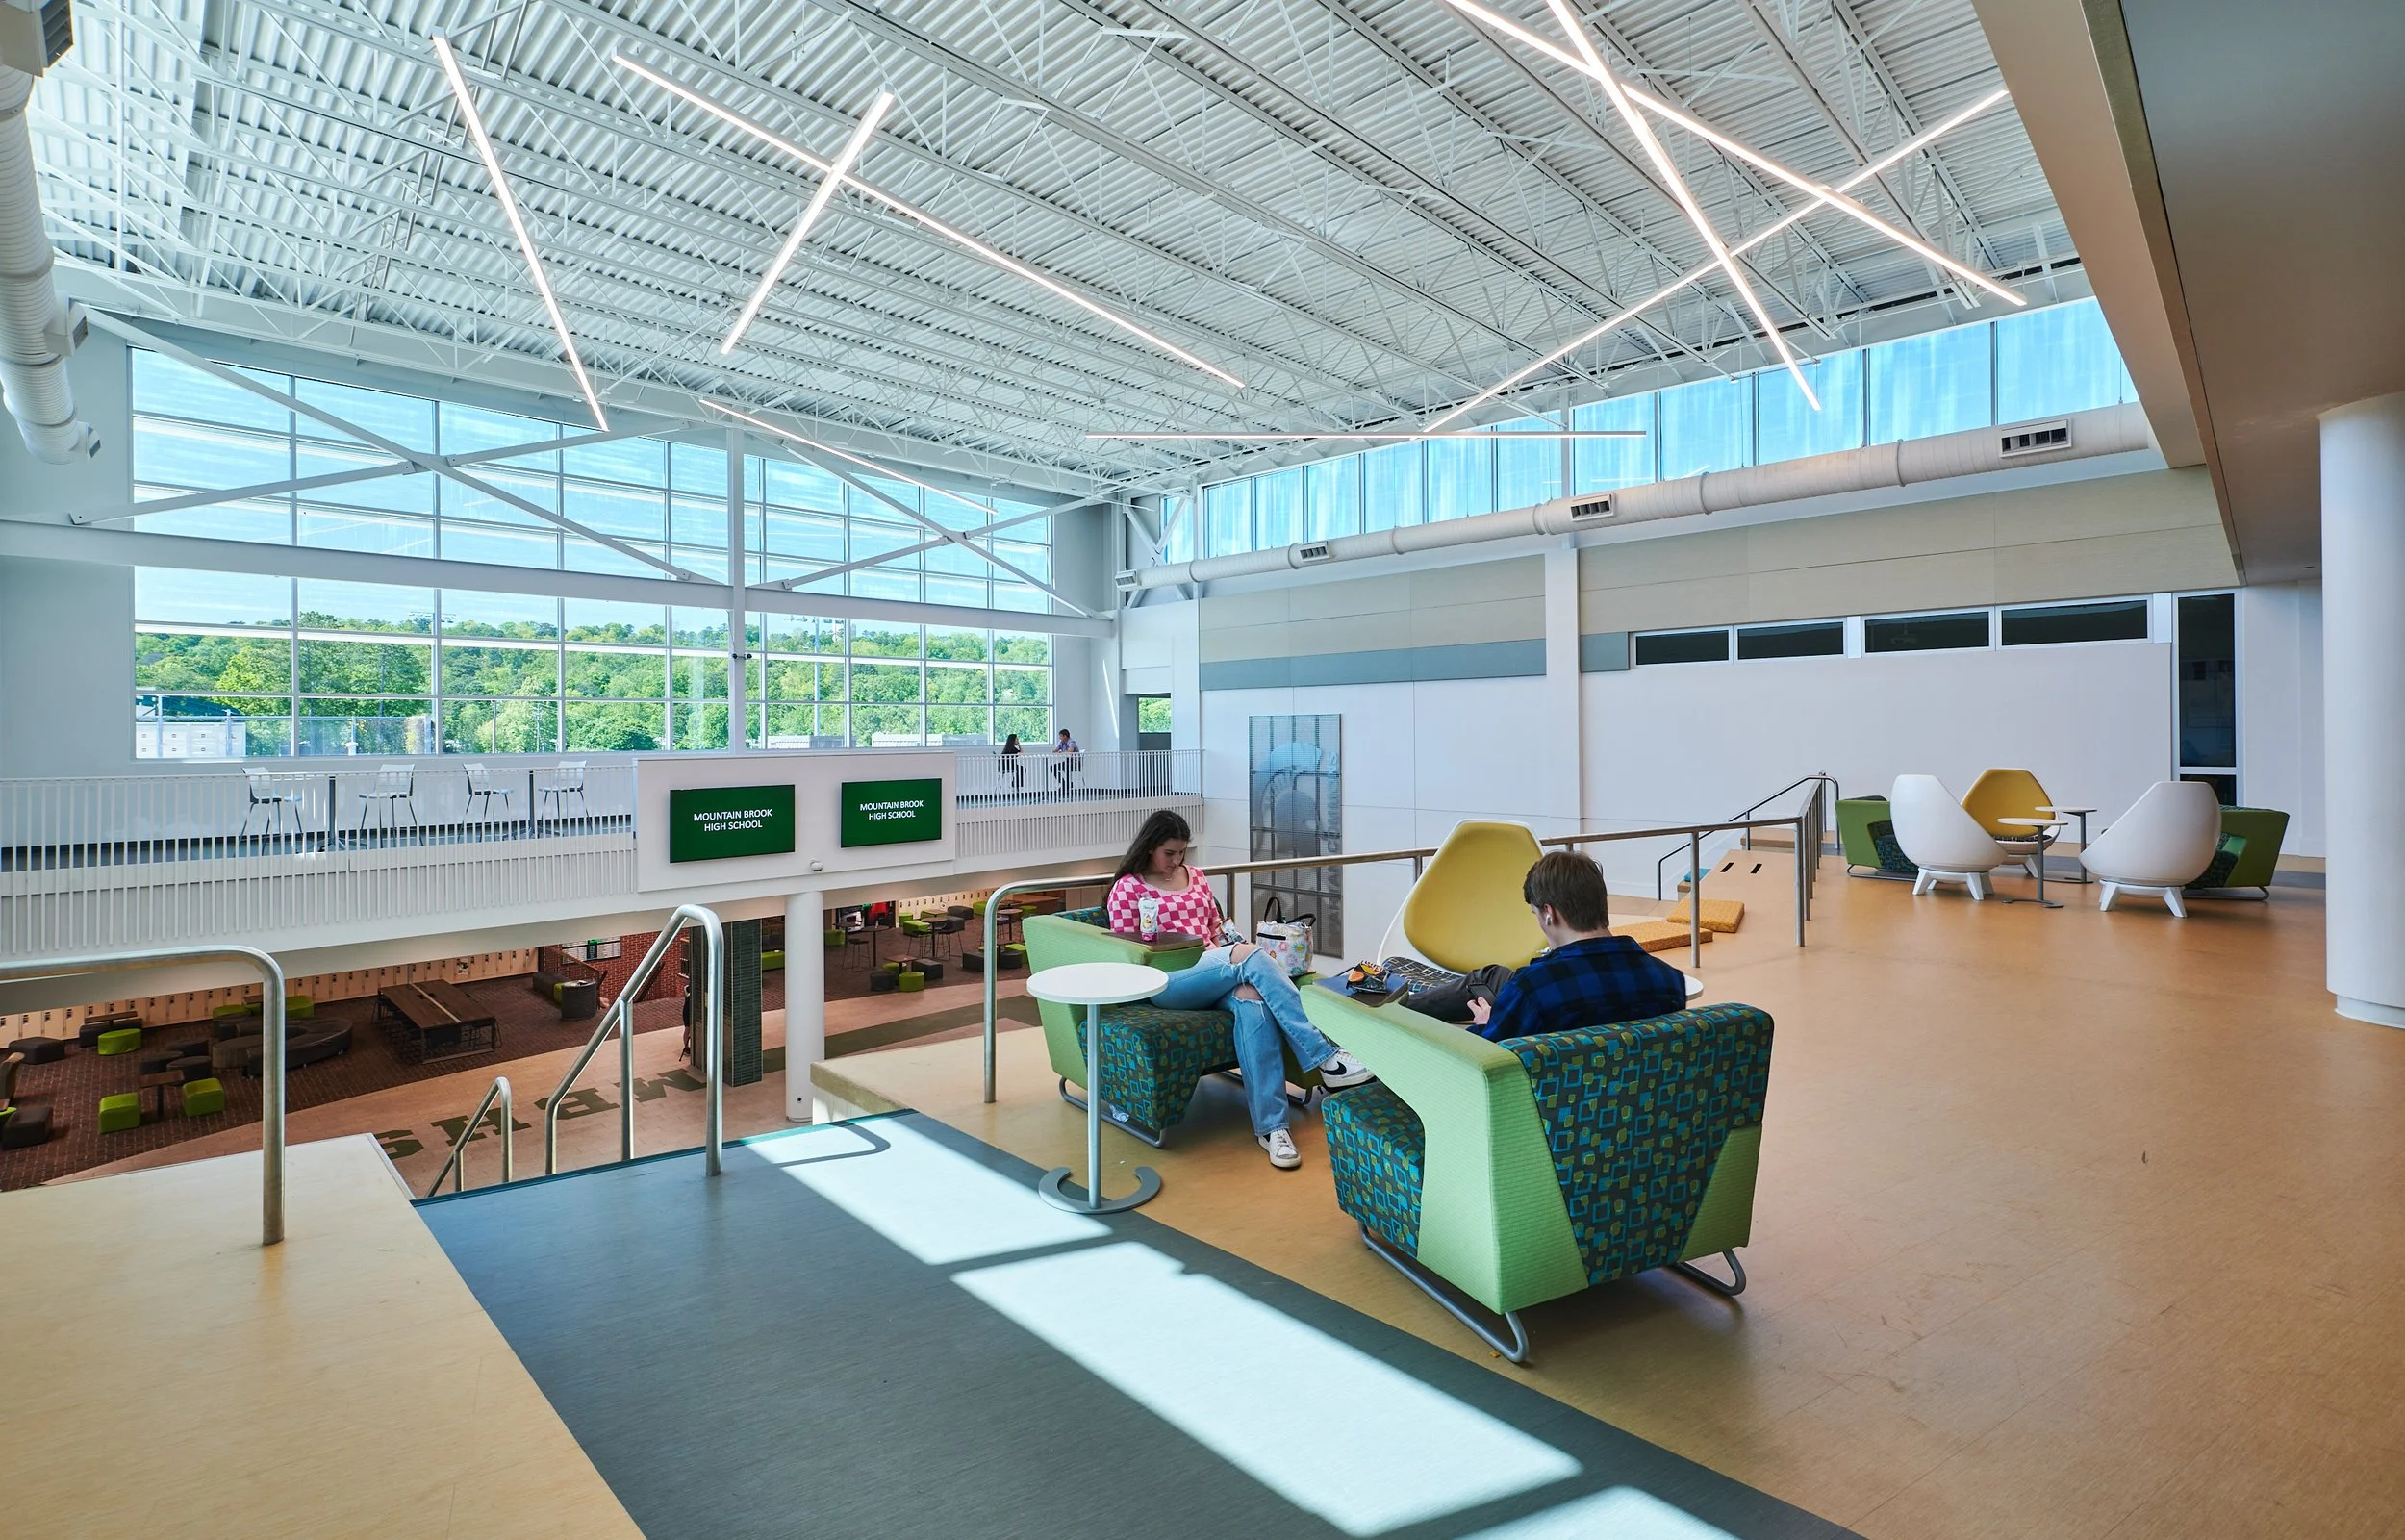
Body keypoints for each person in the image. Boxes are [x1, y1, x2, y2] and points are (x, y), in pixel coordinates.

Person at [1106, 810, 1370, 1169]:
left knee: (1253, 1000)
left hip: (1216, 971)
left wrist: (1241, 953)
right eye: (1169, 853)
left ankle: (1273, 1129)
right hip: (1168, 980)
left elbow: (1217, 927)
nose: (1176, 861)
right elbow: (1126, 950)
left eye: (1182, 852)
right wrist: (1242, 956)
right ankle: (1326, 1057)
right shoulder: (1128, 888)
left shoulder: (1195, 876)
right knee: (1250, 957)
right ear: (1149, 847)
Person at [1464, 850, 1689, 1042]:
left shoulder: (1531, 989)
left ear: (1549, 914)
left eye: (1536, 914)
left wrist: (1485, 1025)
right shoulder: (1669, 980)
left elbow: (1487, 1062)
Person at [1051, 728, 1081, 794]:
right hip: (1068, 762)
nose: (1059, 738)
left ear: (1065, 736)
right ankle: (1065, 784)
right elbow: (1054, 751)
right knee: (1052, 767)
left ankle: (1067, 785)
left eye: (1061, 736)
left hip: (1075, 763)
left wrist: (1060, 752)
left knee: (1066, 767)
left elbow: (1070, 751)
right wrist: (1058, 751)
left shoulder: (1071, 742)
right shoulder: (1061, 742)